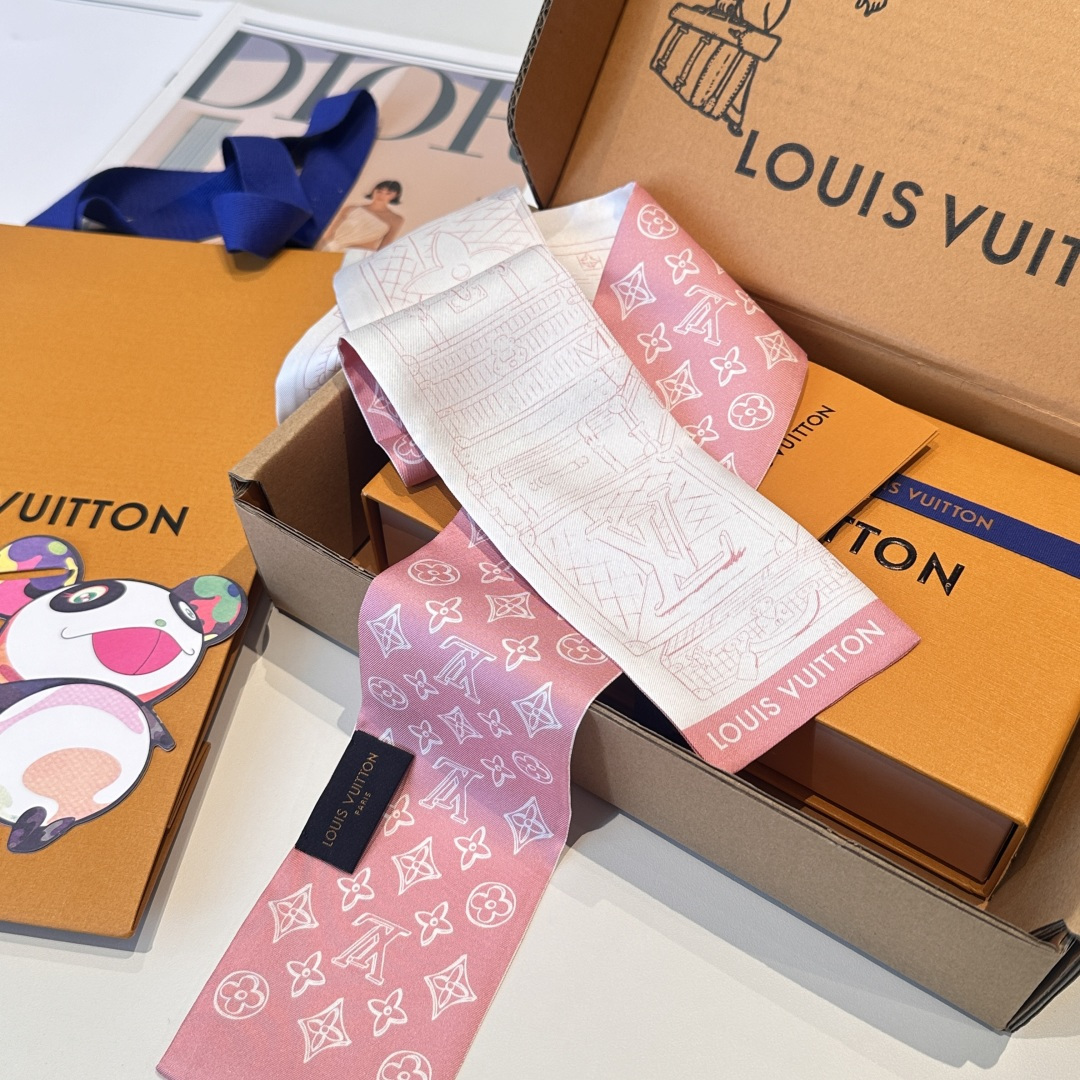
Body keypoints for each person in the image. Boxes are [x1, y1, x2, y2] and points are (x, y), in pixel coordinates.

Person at [321, 180, 405, 252]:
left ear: (395, 195)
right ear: (373, 190)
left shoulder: (396, 219)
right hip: (332, 250)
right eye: (379, 191)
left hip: (360, 256)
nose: (381, 195)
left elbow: (384, 247)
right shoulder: (350, 208)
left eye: (388, 193)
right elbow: (329, 233)